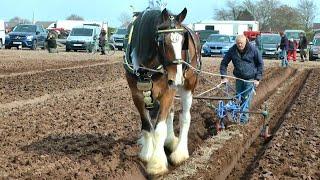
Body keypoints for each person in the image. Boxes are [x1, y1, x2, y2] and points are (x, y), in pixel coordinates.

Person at [220, 35, 264, 124]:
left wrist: (257, 79)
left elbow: (260, 64)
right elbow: (224, 63)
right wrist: (224, 77)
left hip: (250, 80)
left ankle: (243, 122)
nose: (239, 45)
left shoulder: (253, 49)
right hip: (239, 79)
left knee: (245, 101)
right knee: (238, 100)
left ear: (245, 42)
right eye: (238, 43)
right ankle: (235, 117)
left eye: (241, 43)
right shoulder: (232, 50)